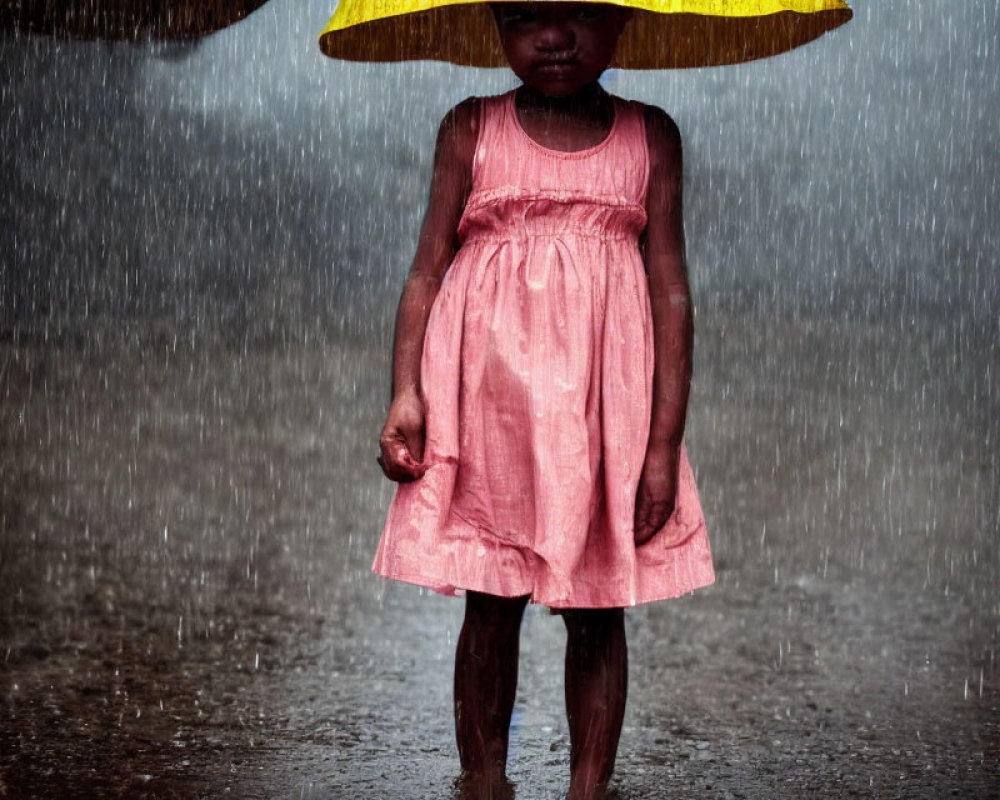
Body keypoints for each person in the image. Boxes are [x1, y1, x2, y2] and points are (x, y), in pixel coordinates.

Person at [374, 4, 715, 798]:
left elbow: (670, 293)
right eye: (527, 17)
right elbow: (428, 269)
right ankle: (484, 782)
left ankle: (587, 790)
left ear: (623, 22)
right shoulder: (471, 129)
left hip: (601, 416)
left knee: (598, 605)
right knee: (491, 604)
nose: (553, 38)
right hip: (488, 406)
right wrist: (406, 393)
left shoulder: (649, 137)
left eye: (580, 16)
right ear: (495, 25)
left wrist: (663, 444)